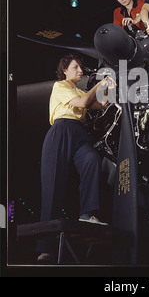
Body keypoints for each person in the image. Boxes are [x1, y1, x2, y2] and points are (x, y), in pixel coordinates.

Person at [36, 53, 116, 262]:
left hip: (79, 133)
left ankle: (87, 214)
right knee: (53, 186)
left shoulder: (79, 90)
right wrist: (98, 86)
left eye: (81, 68)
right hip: (61, 131)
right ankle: (45, 249)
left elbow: (101, 105)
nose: (80, 71)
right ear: (64, 70)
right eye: (76, 68)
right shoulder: (60, 86)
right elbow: (82, 102)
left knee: (91, 160)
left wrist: (108, 88)